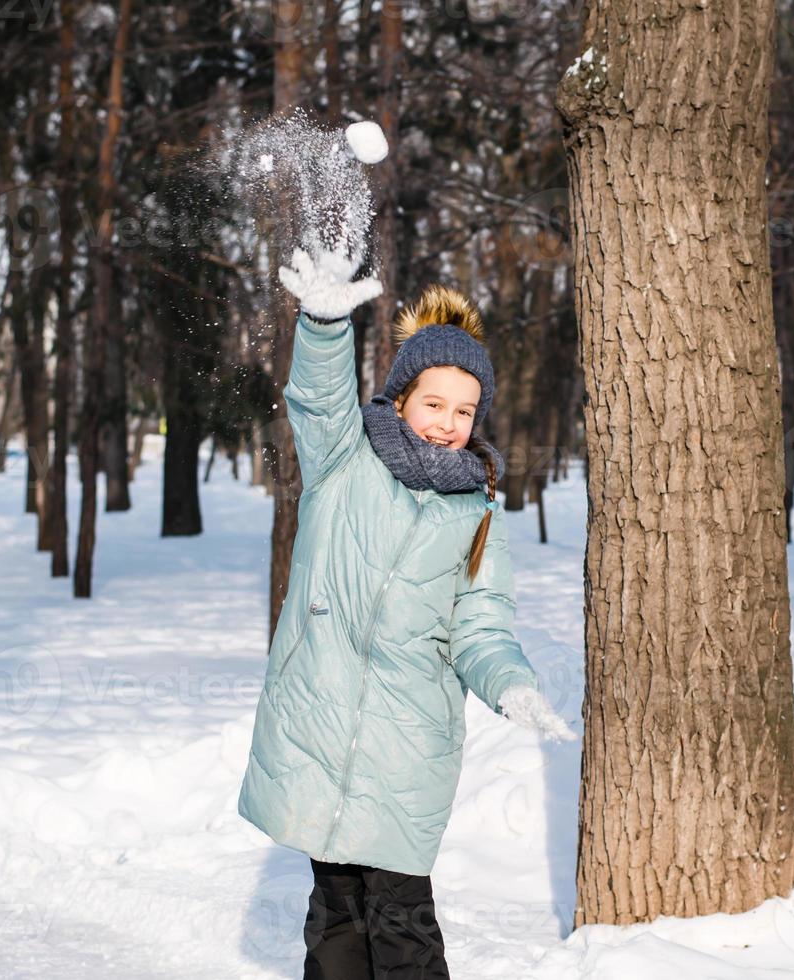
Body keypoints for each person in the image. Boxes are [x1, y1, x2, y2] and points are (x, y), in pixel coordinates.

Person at [237, 244, 575, 979]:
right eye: (434, 404)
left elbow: (481, 624)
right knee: (333, 918)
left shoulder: (479, 507)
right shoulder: (344, 458)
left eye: (464, 410)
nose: (448, 423)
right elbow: (318, 399)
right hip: (322, 726)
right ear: (399, 398)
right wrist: (325, 326)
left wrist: (508, 680)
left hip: (408, 745)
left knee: (403, 927)